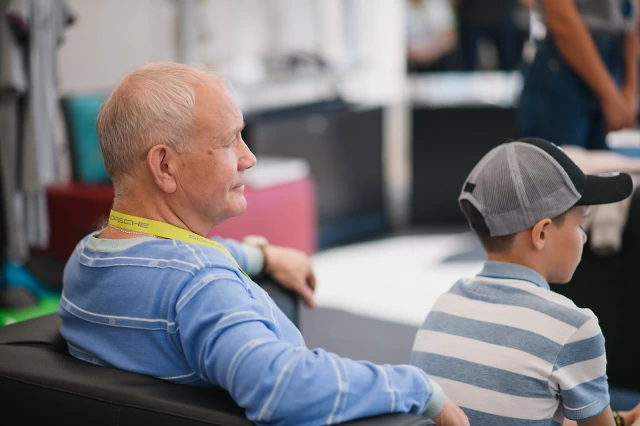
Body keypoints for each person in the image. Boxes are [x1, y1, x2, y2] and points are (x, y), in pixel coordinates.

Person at [56, 62, 469, 426]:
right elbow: (283, 388)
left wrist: (261, 255)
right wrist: (418, 388)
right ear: (165, 166)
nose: (248, 157)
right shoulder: (202, 286)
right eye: (229, 141)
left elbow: (165, 261)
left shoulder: (86, 259)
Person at [410, 137, 640, 425]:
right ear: (541, 234)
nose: (583, 237)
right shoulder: (573, 327)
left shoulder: (443, 307)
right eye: (580, 224)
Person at [516, 0, 639, 151]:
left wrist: (630, 89)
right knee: (556, 161)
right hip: (566, 63)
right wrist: (612, 97)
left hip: (613, 60)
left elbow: (633, 15)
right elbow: (561, 19)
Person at [406, 0, 458, 73]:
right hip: (409, 64)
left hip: (438, 63)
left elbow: (450, 37)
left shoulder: (438, 3)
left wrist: (428, 54)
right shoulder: (397, 6)